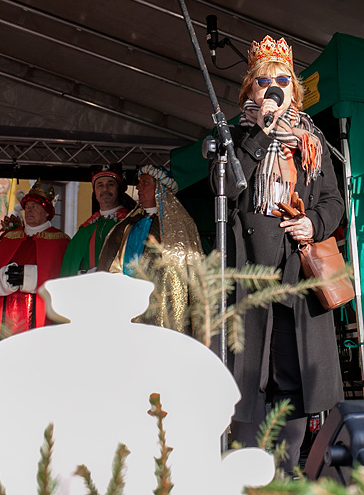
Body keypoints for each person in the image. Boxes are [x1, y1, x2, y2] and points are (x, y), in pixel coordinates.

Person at [223, 34, 344, 473]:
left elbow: (334, 201)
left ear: (294, 89)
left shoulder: (312, 140)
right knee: (249, 374)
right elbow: (230, 188)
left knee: (294, 377)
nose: (274, 87)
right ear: (250, 91)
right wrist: (261, 133)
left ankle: (289, 467)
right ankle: (249, 469)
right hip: (248, 272)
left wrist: (313, 221)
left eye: (282, 80)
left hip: (296, 271)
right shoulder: (233, 138)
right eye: (264, 81)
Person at [0, 182, 70, 358]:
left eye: (35, 206)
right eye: (27, 207)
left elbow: (62, 281)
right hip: (4, 314)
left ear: (47, 212)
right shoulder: (10, 238)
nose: (29, 210)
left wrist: (29, 277)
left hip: (37, 315)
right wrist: (3, 279)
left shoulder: (60, 242)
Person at [97, 165, 202, 334]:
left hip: (159, 313)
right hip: (127, 309)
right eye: (138, 183)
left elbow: (186, 279)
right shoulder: (129, 225)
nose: (138, 187)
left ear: (160, 189)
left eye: (145, 183)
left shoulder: (179, 227)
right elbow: (116, 263)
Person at [60, 164, 137, 277]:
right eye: (100, 185)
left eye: (110, 184)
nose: (105, 189)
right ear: (95, 193)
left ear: (119, 189)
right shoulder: (85, 230)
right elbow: (68, 270)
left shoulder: (129, 225)